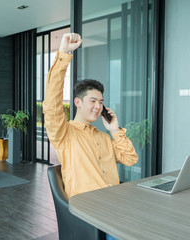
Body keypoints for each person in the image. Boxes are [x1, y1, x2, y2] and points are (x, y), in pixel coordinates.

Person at [43, 33, 138, 239]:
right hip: (90, 213)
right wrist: (64, 54)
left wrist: (114, 131)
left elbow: (130, 159)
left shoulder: (104, 137)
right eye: (92, 101)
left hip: (114, 208)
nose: (98, 107)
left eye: (101, 102)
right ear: (77, 102)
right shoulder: (64, 133)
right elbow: (51, 105)